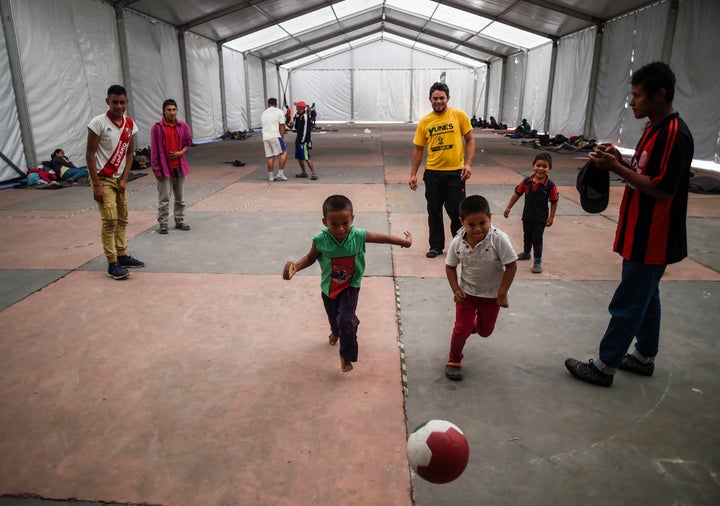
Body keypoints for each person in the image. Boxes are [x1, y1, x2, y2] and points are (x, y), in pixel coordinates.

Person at [565, 61, 694, 387]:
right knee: (647, 296)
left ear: (660, 94)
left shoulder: (674, 135)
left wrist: (617, 169)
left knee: (629, 301)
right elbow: (646, 174)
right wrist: (619, 161)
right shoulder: (653, 128)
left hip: (654, 236)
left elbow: (663, 191)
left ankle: (604, 366)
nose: (632, 102)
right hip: (640, 231)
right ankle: (644, 356)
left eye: (637, 95)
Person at [283, 195, 412, 372]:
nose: (341, 229)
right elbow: (310, 257)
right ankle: (336, 331)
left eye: (345, 222)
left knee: (346, 321)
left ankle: (346, 356)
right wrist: (296, 267)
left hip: (351, 287)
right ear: (324, 221)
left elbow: (383, 238)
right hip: (328, 288)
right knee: (335, 319)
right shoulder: (320, 240)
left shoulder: (358, 236)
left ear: (352, 219)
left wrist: (404, 242)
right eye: (334, 224)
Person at [444, 195, 518, 381]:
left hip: (492, 296)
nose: (477, 229)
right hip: (467, 294)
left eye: (482, 223)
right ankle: (454, 360)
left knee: (485, 331)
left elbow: (511, 265)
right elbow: (450, 266)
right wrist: (456, 290)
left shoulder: (499, 239)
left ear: (490, 217)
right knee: (461, 329)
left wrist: (502, 294)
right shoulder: (457, 242)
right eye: (471, 224)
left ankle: (474, 324)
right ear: (462, 222)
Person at [409, 82, 475, 258]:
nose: (438, 101)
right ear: (430, 99)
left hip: (455, 173)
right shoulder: (425, 121)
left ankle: (460, 245)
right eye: (435, 98)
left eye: (441, 98)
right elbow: (418, 148)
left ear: (448, 98)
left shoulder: (459, 115)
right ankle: (436, 246)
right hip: (433, 173)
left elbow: (469, 140)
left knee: (457, 211)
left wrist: (468, 164)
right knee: (434, 210)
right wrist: (413, 174)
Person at [86, 84, 145, 280]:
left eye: (122, 102)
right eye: (115, 102)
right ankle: (112, 263)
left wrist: (124, 179)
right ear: (107, 102)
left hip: (119, 179)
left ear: (126, 102)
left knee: (122, 218)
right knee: (110, 220)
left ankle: (122, 254)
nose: (119, 106)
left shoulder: (130, 124)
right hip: (103, 178)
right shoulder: (98, 123)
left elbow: (129, 154)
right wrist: (96, 184)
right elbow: (90, 154)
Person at [503, 153, 558, 274]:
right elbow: (517, 194)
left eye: (545, 166)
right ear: (533, 166)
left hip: (541, 217)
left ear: (549, 169)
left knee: (537, 238)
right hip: (527, 215)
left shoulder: (550, 185)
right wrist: (508, 207)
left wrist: (551, 217)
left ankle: (537, 261)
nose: (541, 169)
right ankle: (526, 253)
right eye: (538, 165)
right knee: (527, 235)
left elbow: (554, 201)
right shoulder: (526, 181)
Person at [150, 98, 192, 235]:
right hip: (164, 168)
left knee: (180, 197)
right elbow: (154, 150)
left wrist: (181, 153)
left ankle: (179, 220)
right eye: (169, 110)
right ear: (163, 111)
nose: (172, 112)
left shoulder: (183, 126)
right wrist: (156, 169)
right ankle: (163, 223)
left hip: (179, 166)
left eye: (174, 109)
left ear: (177, 110)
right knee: (164, 198)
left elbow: (188, 142)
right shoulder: (157, 128)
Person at [260, 97, 288, 182]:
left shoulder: (264, 113)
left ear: (268, 104)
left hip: (265, 137)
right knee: (284, 153)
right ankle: (280, 173)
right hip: (275, 135)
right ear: (276, 104)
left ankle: (271, 176)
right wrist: (282, 138)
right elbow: (282, 126)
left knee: (270, 156)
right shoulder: (279, 112)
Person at [293, 101, 317, 180]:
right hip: (298, 140)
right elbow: (296, 128)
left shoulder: (305, 117)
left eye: (297, 106)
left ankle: (313, 173)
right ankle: (304, 172)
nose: (295, 108)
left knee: (306, 157)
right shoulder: (299, 116)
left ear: (300, 108)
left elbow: (305, 130)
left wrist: (303, 141)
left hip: (303, 141)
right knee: (299, 157)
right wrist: (296, 118)